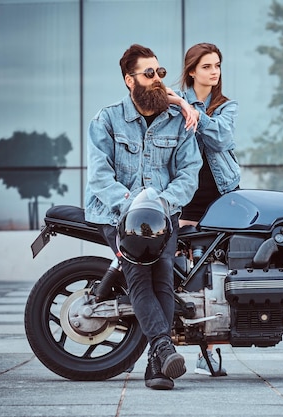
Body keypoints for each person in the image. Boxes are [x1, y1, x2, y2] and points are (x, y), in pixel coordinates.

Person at [85, 44, 202, 390]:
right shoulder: (106, 119)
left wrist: (161, 206)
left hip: (162, 217)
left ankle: (158, 361)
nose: (156, 79)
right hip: (117, 213)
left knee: (163, 275)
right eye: (148, 73)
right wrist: (133, 206)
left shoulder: (176, 121)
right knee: (139, 274)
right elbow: (99, 176)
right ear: (128, 79)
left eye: (160, 73)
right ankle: (162, 351)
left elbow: (188, 173)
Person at [168, 43, 240, 377]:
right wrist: (184, 104)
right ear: (192, 70)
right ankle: (174, 342)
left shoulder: (227, 106)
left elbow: (222, 139)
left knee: (218, 274)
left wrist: (194, 109)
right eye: (207, 66)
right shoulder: (175, 104)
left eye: (218, 66)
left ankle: (210, 351)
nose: (215, 72)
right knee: (185, 274)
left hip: (222, 197)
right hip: (186, 200)